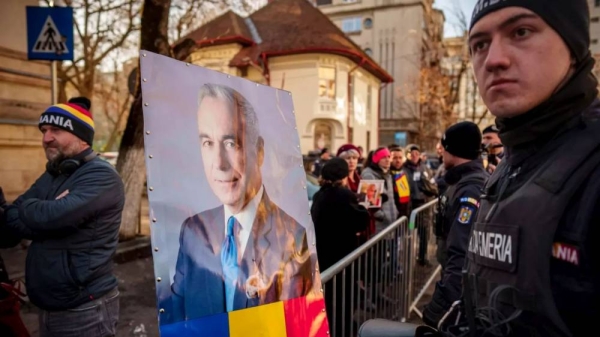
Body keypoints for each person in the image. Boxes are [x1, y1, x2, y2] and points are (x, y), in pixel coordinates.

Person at [444, 1, 600, 336]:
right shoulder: (512, 163)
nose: (494, 59)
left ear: (573, 46)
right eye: (480, 44)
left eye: (521, 32)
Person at [167, 83, 315, 322]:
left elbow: (295, 325)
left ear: (259, 152)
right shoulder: (193, 230)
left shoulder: (291, 236)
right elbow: (177, 311)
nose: (219, 163)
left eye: (231, 143)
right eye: (208, 143)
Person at [1, 97, 124, 337]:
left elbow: (52, 218)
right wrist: (39, 213)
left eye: (56, 130)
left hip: (85, 308)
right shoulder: (55, 173)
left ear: (80, 136)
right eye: (44, 131)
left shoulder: (101, 176)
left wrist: (35, 211)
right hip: (49, 306)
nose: (46, 138)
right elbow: (13, 219)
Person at [422, 121, 488, 328]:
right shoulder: (460, 182)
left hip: (459, 289)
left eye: (443, 147)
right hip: (456, 281)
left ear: (453, 149)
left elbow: (461, 251)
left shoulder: (470, 188)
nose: (440, 152)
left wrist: (441, 304)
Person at [311, 158, 370, 337]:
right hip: (341, 254)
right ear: (343, 176)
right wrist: (364, 208)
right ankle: (342, 327)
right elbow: (359, 220)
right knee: (343, 298)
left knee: (329, 296)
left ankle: (332, 325)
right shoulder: (344, 195)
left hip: (324, 254)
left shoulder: (319, 194)